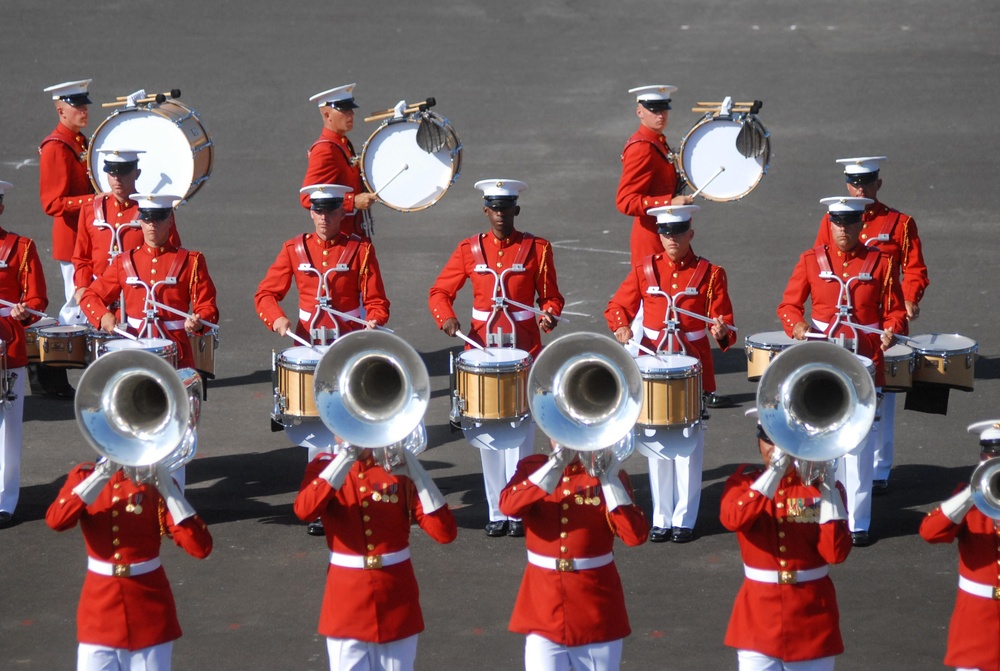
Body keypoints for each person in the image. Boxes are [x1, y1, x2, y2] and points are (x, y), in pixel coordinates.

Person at [428, 179, 564, 537]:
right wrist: (447, 318)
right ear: (485, 210)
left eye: (507, 208)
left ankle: (518, 509)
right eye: (494, 208)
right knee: (487, 433)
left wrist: (548, 313)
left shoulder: (537, 248)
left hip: (524, 350)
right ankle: (495, 510)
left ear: (516, 210)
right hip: (482, 352)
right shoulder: (469, 250)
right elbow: (440, 291)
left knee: (520, 433)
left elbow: (551, 297)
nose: (501, 214)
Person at [256, 184, 389, 535]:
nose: (324, 218)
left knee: (348, 430)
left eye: (331, 211)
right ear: (311, 212)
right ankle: (321, 503)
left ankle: (350, 497)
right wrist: (278, 319)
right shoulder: (295, 248)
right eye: (318, 211)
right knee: (316, 433)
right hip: (309, 346)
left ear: (341, 213)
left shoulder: (359, 250)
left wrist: (374, 319)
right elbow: (266, 294)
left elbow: (377, 301)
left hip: (347, 350)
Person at [777, 196, 907, 546]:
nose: (843, 229)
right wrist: (799, 327)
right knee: (814, 446)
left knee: (859, 450)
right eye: (837, 222)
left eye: (849, 223)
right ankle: (814, 517)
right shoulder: (810, 260)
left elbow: (895, 312)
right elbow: (788, 305)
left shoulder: (880, 262)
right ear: (829, 223)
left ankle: (857, 524)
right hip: (822, 367)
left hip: (863, 368)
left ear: (859, 225)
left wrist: (892, 329)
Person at [605, 204, 736, 543]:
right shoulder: (645, 270)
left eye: (678, 232)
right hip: (653, 367)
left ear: (690, 233)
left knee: (689, 448)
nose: (672, 239)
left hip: (691, 369)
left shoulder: (710, 272)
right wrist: (621, 328)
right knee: (656, 444)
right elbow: (617, 306)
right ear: (660, 236)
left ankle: (685, 519)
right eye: (665, 233)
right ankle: (662, 517)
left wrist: (721, 330)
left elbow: (726, 327)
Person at [814, 157, 929, 495]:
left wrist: (908, 299)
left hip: (885, 322)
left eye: (866, 181)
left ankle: (879, 468)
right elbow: (821, 261)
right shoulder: (833, 221)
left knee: (882, 400)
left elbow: (915, 268)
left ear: (879, 184)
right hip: (845, 323)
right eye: (853, 182)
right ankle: (839, 463)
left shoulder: (900, 223)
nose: (859, 188)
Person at [293, 442, 457, 671]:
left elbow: (444, 533)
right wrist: (345, 458)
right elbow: (305, 510)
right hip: (347, 601)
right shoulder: (325, 467)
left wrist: (418, 474)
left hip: (395, 597)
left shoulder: (397, 468)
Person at [46, 459, 212, 671]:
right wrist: (99, 476)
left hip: (148, 611)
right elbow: (56, 520)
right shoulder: (85, 477)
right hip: (98, 612)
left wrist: (170, 490)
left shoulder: (154, 484)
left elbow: (200, 547)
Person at [721, 410, 852, 671]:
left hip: (811, 617)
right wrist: (775, 473)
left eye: (783, 440)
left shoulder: (822, 488)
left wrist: (829, 494)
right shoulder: (742, 483)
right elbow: (734, 519)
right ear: (758, 441)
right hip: (758, 617)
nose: (775, 448)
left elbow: (835, 554)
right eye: (769, 439)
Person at [499, 441, 649, 670]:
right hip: (543, 606)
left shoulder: (606, 472)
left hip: (595, 608)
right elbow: (509, 507)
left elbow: (635, 536)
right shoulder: (532, 468)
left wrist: (609, 479)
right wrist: (555, 465)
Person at [79, 193, 219, 372]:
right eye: (147, 219)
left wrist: (200, 321)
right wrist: (102, 315)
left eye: (159, 219)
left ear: (170, 221)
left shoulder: (190, 261)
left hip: (176, 351)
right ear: (140, 222)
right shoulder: (124, 261)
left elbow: (208, 306)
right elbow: (90, 296)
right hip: (135, 347)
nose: (152, 224)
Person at [920, 420, 1000, 671]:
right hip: (976, 621)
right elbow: (930, 533)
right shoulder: (967, 499)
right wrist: (972, 491)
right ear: (983, 457)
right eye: (993, 456)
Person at [73, 149, 182, 323]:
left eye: (124, 173)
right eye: (111, 173)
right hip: (100, 297)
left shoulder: (153, 211)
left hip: (138, 300)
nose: (117, 179)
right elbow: (82, 258)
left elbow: (169, 255)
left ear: (137, 173)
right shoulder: (90, 210)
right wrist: (82, 286)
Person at [38, 79, 95, 397]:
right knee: (76, 305)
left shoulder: (78, 141)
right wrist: (96, 201)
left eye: (85, 104)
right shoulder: (56, 147)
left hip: (86, 237)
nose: (84, 109)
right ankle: (49, 371)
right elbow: (52, 203)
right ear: (61, 110)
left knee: (85, 302)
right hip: (72, 239)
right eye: (78, 105)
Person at [0, 180, 49, 529]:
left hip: (7, 346)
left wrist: (25, 312)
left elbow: (37, 300)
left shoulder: (20, 247)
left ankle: (5, 500)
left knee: (8, 432)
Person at [616, 85, 694, 264]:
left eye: (664, 109)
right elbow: (625, 201)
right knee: (649, 288)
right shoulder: (642, 148)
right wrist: (669, 202)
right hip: (653, 237)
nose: (661, 115)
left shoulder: (657, 141)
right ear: (639, 112)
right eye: (654, 110)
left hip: (667, 232)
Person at [301, 84, 377, 238]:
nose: (351, 114)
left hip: (355, 233)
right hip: (342, 237)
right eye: (344, 110)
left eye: (351, 109)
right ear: (328, 115)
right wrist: (352, 202)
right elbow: (308, 198)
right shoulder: (325, 150)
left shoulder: (342, 143)